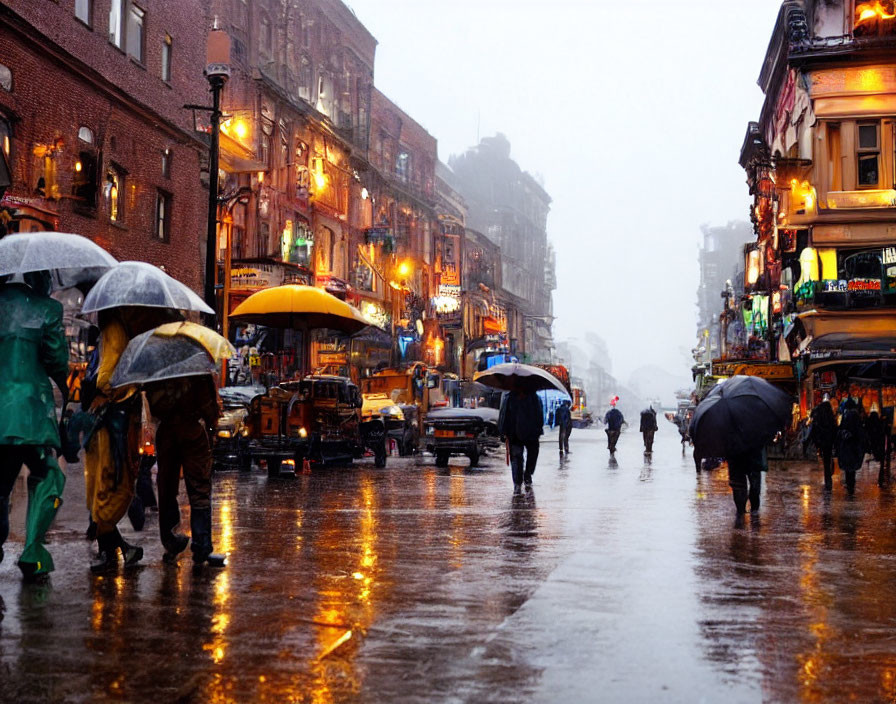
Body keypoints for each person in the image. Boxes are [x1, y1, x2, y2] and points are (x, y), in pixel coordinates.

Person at [85, 307, 180, 572]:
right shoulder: (115, 330)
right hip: (114, 415)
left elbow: (107, 375)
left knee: (113, 479)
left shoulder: (114, 330)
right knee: (113, 479)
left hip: (114, 415)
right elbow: (108, 376)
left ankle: (118, 548)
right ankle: (118, 548)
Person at [0, 271, 69, 580]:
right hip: (30, 415)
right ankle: (32, 551)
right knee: (47, 474)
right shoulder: (46, 309)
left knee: (0, 488)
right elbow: (57, 361)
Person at [147, 374, 225, 567]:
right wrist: (211, 421)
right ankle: (201, 547)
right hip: (192, 433)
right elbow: (209, 407)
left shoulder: (158, 370)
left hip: (167, 435)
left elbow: (154, 407)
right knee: (199, 488)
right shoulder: (196, 367)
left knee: (166, 488)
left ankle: (172, 543)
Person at [498, 389, 544, 493]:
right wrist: (503, 432)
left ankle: (527, 474)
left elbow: (539, 415)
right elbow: (504, 415)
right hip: (514, 433)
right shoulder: (509, 397)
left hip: (531, 433)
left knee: (532, 454)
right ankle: (517, 483)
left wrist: (538, 429)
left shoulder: (534, 398)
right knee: (516, 457)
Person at [837, 398, 866, 496]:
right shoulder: (856, 417)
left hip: (846, 446)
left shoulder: (845, 417)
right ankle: (851, 486)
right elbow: (860, 433)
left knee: (847, 468)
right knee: (852, 469)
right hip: (854, 446)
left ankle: (849, 486)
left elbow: (841, 430)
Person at [727, 445, 766, 515]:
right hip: (741, 455)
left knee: (746, 485)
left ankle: (745, 510)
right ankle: (746, 510)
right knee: (742, 485)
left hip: (742, 455)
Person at [810, 395, 837, 490]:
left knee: (825, 460)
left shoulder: (819, 413)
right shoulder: (830, 414)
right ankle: (828, 478)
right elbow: (834, 428)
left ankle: (828, 479)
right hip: (828, 440)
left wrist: (816, 441)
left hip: (822, 440)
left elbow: (815, 428)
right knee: (827, 458)